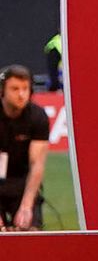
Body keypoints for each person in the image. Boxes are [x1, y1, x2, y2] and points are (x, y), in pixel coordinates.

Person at [1, 63, 49, 230]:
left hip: (22, 183)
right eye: (14, 89)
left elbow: (37, 164)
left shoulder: (38, 117)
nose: (21, 94)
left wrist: (27, 207)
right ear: (2, 91)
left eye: (25, 88)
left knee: (31, 233)